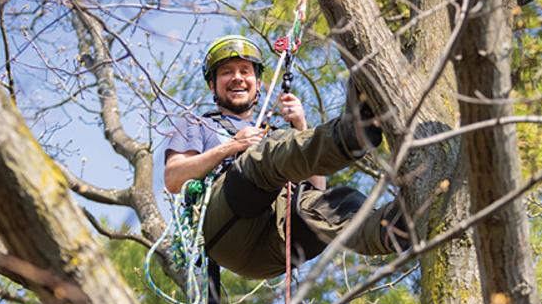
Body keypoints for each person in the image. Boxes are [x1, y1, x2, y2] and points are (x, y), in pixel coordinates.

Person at [164, 35, 407, 281]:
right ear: (212, 84)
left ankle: (396, 226)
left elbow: (315, 188)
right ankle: (350, 134)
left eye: (245, 71)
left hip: (273, 246)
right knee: (265, 153)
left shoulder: (275, 135)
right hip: (225, 231)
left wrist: (301, 126)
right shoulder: (197, 124)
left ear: (257, 83)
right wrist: (230, 147)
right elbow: (174, 178)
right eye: (227, 72)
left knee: (332, 205)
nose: (237, 77)